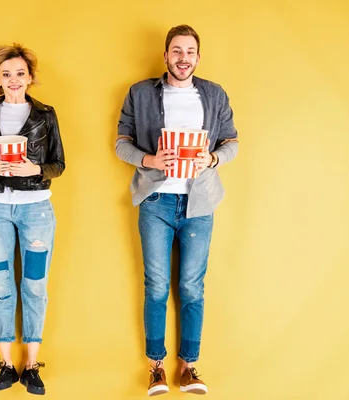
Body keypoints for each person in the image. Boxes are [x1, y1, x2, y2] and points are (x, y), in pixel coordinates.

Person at [115, 25, 239, 396]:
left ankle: (188, 367)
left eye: (190, 52)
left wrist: (212, 158)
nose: (183, 58)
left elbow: (233, 143)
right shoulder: (140, 93)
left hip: (200, 202)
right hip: (156, 200)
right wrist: (151, 158)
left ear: (198, 58)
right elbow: (121, 144)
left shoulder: (214, 94)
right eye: (176, 51)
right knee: (156, 286)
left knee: (191, 287)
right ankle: (156, 368)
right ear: (166, 55)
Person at [0, 43, 65, 396]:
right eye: (6, 74)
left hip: (36, 208)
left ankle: (32, 364)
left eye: (20, 73)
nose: (13, 80)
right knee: (1, 286)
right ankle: (6, 364)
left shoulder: (46, 115)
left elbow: (58, 165)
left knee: (35, 285)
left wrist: (34, 168)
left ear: (30, 77)